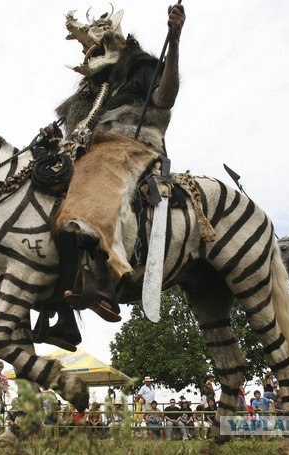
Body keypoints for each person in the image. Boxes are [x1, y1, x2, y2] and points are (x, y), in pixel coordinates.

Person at [38, 4, 186, 331]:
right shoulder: (92, 91)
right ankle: (61, 312)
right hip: (95, 147)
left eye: (99, 43)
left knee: (93, 176)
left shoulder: (141, 66)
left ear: (117, 40)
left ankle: (103, 283)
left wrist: (173, 41)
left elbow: (165, 97)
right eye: (87, 47)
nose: (91, 50)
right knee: (44, 187)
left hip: (135, 142)